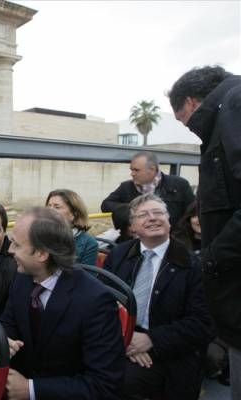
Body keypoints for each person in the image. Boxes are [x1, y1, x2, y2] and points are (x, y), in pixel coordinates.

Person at [169, 65, 241, 398]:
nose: (184, 125)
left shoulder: (234, 105)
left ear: (193, 102)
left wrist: (212, 258)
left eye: (181, 116)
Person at [1, 207, 124, 400]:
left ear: (41, 254)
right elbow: (9, 324)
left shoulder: (96, 302)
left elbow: (103, 385)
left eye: (16, 245)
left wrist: (31, 389)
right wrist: (4, 341)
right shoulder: (22, 279)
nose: (9, 250)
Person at [103, 194, 213, 399]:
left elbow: (203, 323)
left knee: (120, 380)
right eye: (143, 214)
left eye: (158, 213)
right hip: (120, 340)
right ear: (132, 227)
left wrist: (151, 339)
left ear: (169, 220)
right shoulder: (118, 255)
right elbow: (103, 305)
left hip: (170, 352)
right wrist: (126, 341)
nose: (152, 218)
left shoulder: (193, 265)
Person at [101, 151, 195, 226]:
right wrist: (132, 209)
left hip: (172, 241)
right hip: (136, 241)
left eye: (136, 170)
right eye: (131, 170)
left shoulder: (179, 185)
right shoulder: (126, 187)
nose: (132, 174)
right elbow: (106, 205)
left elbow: (192, 212)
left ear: (152, 169)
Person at [46, 189, 98, 265]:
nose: (50, 211)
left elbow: (86, 275)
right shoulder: (37, 234)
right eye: (49, 206)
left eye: (57, 207)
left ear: (74, 214)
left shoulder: (89, 243)